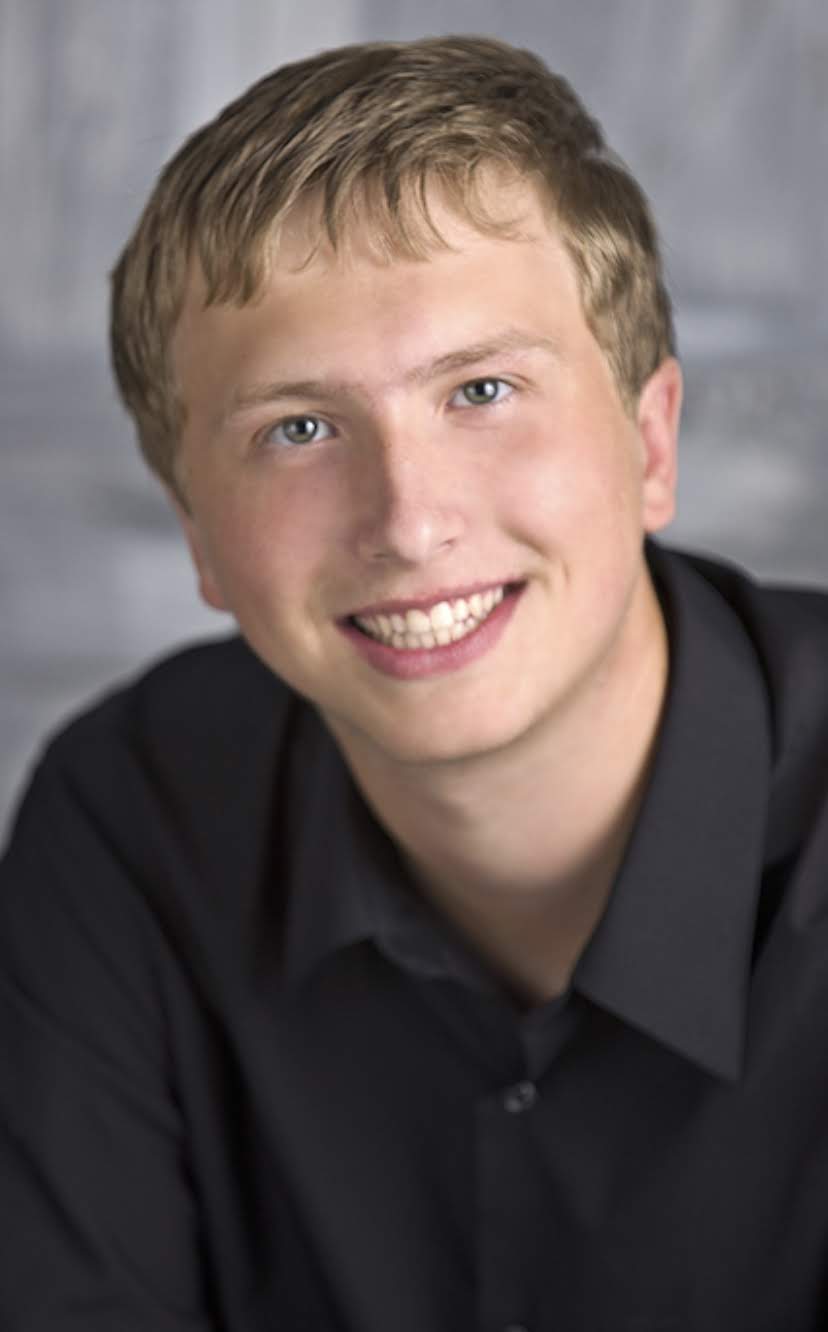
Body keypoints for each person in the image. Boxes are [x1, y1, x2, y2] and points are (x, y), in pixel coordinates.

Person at [1, 33, 827, 1332]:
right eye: (300, 430)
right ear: (200, 537)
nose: (407, 519)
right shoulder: (129, 821)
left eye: (483, 389)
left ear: (652, 441)